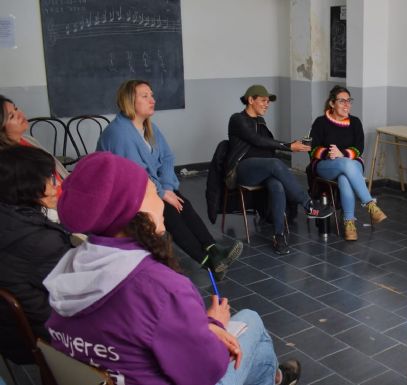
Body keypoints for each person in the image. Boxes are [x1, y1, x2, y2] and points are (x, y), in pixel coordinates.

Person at [44, 152, 301, 385]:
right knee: (251, 323)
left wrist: (203, 326)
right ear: (132, 212)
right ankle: (274, 378)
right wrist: (215, 323)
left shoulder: (67, 273)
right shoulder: (160, 287)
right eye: (150, 194)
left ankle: (274, 377)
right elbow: (206, 372)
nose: (160, 203)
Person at [97, 80, 242, 277]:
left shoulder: (149, 126)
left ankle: (214, 250)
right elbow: (136, 173)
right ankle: (208, 262)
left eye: (152, 95)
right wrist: (163, 192)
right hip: (125, 192)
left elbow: (167, 157)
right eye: (145, 96)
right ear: (129, 101)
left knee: (183, 204)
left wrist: (166, 187)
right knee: (170, 212)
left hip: (150, 186)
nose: (152, 100)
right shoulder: (119, 133)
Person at [226, 84, 332, 255]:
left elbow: (266, 148)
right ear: (251, 100)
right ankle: (308, 205)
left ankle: (279, 235)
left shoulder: (260, 121)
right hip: (243, 170)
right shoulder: (237, 119)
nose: (267, 104)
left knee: (277, 185)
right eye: (263, 100)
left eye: (268, 101)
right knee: (275, 163)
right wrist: (289, 146)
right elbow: (257, 141)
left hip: (263, 169)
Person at [0, 146, 72, 364]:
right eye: (50, 179)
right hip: (42, 335)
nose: (56, 185)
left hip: (10, 330)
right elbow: (76, 291)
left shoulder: (9, 216)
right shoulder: (39, 241)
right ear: (28, 186)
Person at [309, 85, 387, 241]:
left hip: (353, 162)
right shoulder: (320, 122)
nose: (347, 105)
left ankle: (349, 224)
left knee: (345, 176)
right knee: (345, 165)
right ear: (332, 103)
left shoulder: (355, 122)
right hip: (326, 165)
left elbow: (359, 148)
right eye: (342, 101)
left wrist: (342, 154)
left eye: (349, 101)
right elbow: (312, 148)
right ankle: (370, 204)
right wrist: (330, 153)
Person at [0, 95, 68, 182]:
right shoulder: (6, 161)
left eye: (16, 109)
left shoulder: (28, 140)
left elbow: (57, 169)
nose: (20, 114)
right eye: (12, 116)